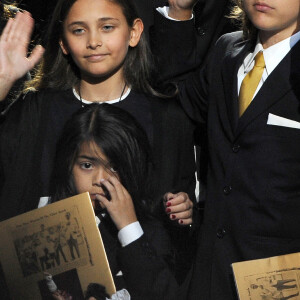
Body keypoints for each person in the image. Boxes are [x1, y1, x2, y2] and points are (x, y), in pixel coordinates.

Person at [0, 0, 195, 284]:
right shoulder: (37, 110)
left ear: (134, 32)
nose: (93, 41)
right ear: (63, 42)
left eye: (106, 27)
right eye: (78, 30)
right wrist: (3, 82)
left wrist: (183, 210)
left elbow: (178, 207)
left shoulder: (166, 117)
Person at [149, 0, 300, 299]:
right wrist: (179, 11)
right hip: (210, 271)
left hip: (282, 278)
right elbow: (175, 99)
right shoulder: (226, 52)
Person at [50, 103, 178, 299]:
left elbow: (161, 293)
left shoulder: (150, 233)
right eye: (87, 165)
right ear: (68, 165)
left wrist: (129, 227)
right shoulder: (49, 229)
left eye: (114, 167)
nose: (100, 180)